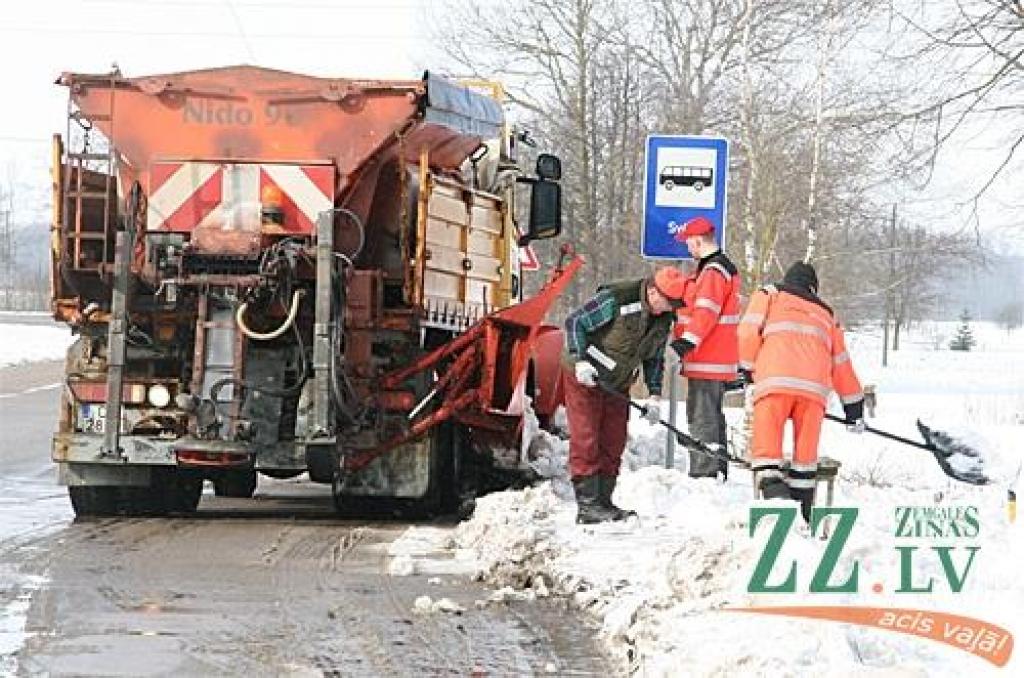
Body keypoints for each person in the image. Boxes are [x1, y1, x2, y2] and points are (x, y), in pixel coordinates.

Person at [737, 261, 866, 521]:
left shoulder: (769, 295)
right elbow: (841, 364)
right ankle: (804, 516)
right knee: (805, 460)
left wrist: (749, 370)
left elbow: (747, 333)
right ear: (813, 289)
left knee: (766, 453)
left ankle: (777, 498)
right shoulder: (827, 314)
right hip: (814, 393)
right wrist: (854, 410)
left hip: (774, 383)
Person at [563, 268, 686, 523]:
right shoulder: (617, 298)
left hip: (617, 383)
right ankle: (587, 506)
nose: (669, 309)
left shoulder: (664, 318)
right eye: (667, 302)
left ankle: (604, 502)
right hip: (586, 376)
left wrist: (654, 395)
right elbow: (575, 322)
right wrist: (579, 359)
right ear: (653, 291)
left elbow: (654, 358)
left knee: (614, 439)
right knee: (587, 437)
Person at [669, 216, 741, 479]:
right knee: (712, 416)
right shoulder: (718, 268)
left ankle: (705, 475)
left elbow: (705, 311)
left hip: (706, 358)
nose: (687, 247)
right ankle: (717, 470)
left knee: (702, 419)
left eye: (688, 242)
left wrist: (686, 342)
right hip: (717, 358)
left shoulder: (712, 272)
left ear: (698, 241)